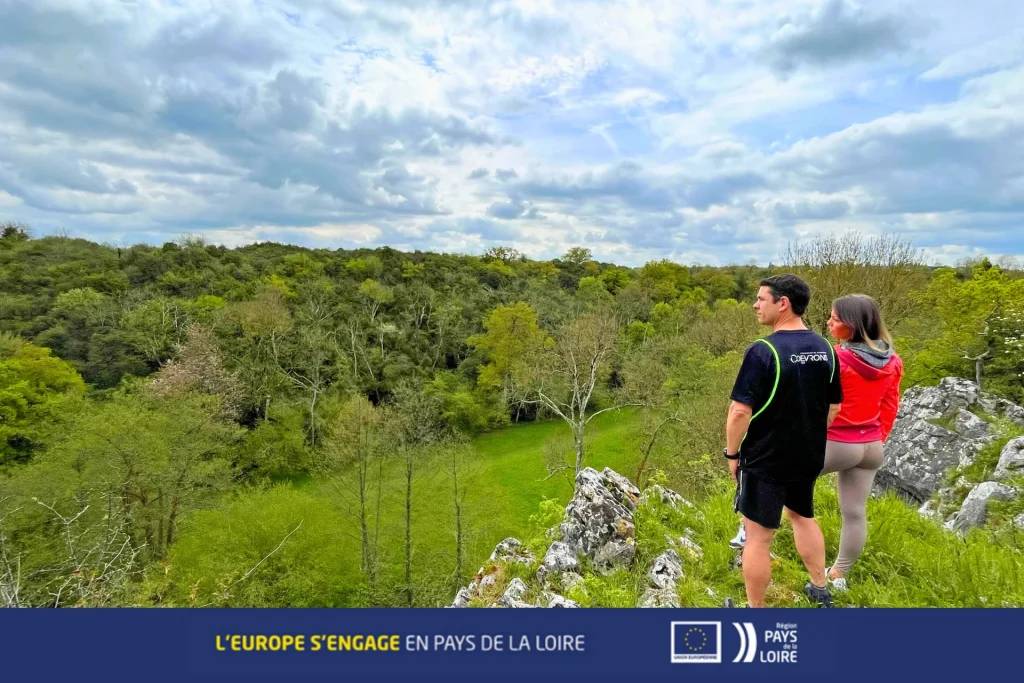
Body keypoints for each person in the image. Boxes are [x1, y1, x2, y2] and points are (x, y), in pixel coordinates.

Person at [724, 274, 842, 608]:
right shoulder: (825, 349)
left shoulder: (763, 351)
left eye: (761, 299)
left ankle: (754, 611)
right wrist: (809, 433)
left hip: (767, 458)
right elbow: (834, 405)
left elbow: (738, 412)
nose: (755, 305)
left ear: (783, 303)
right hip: (808, 455)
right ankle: (820, 589)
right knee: (802, 515)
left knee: (759, 536)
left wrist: (732, 453)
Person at [821, 294, 903, 591]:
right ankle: (839, 575)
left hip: (836, 443)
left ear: (853, 326)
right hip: (871, 447)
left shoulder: (834, 359)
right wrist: (877, 438)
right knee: (854, 513)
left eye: (835, 318)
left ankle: (750, 535)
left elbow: (817, 405)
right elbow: (890, 406)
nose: (828, 322)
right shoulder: (893, 361)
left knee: (771, 475)